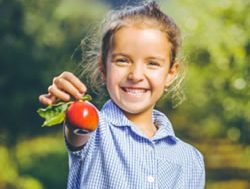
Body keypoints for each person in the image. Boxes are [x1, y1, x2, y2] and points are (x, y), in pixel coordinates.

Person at [39, 1, 205, 188]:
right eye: (122, 61)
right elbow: (78, 127)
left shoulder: (190, 160)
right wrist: (70, 105)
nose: (135, 75)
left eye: (152, 63)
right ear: (103, 68)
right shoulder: (94, 131)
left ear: (170, 73)